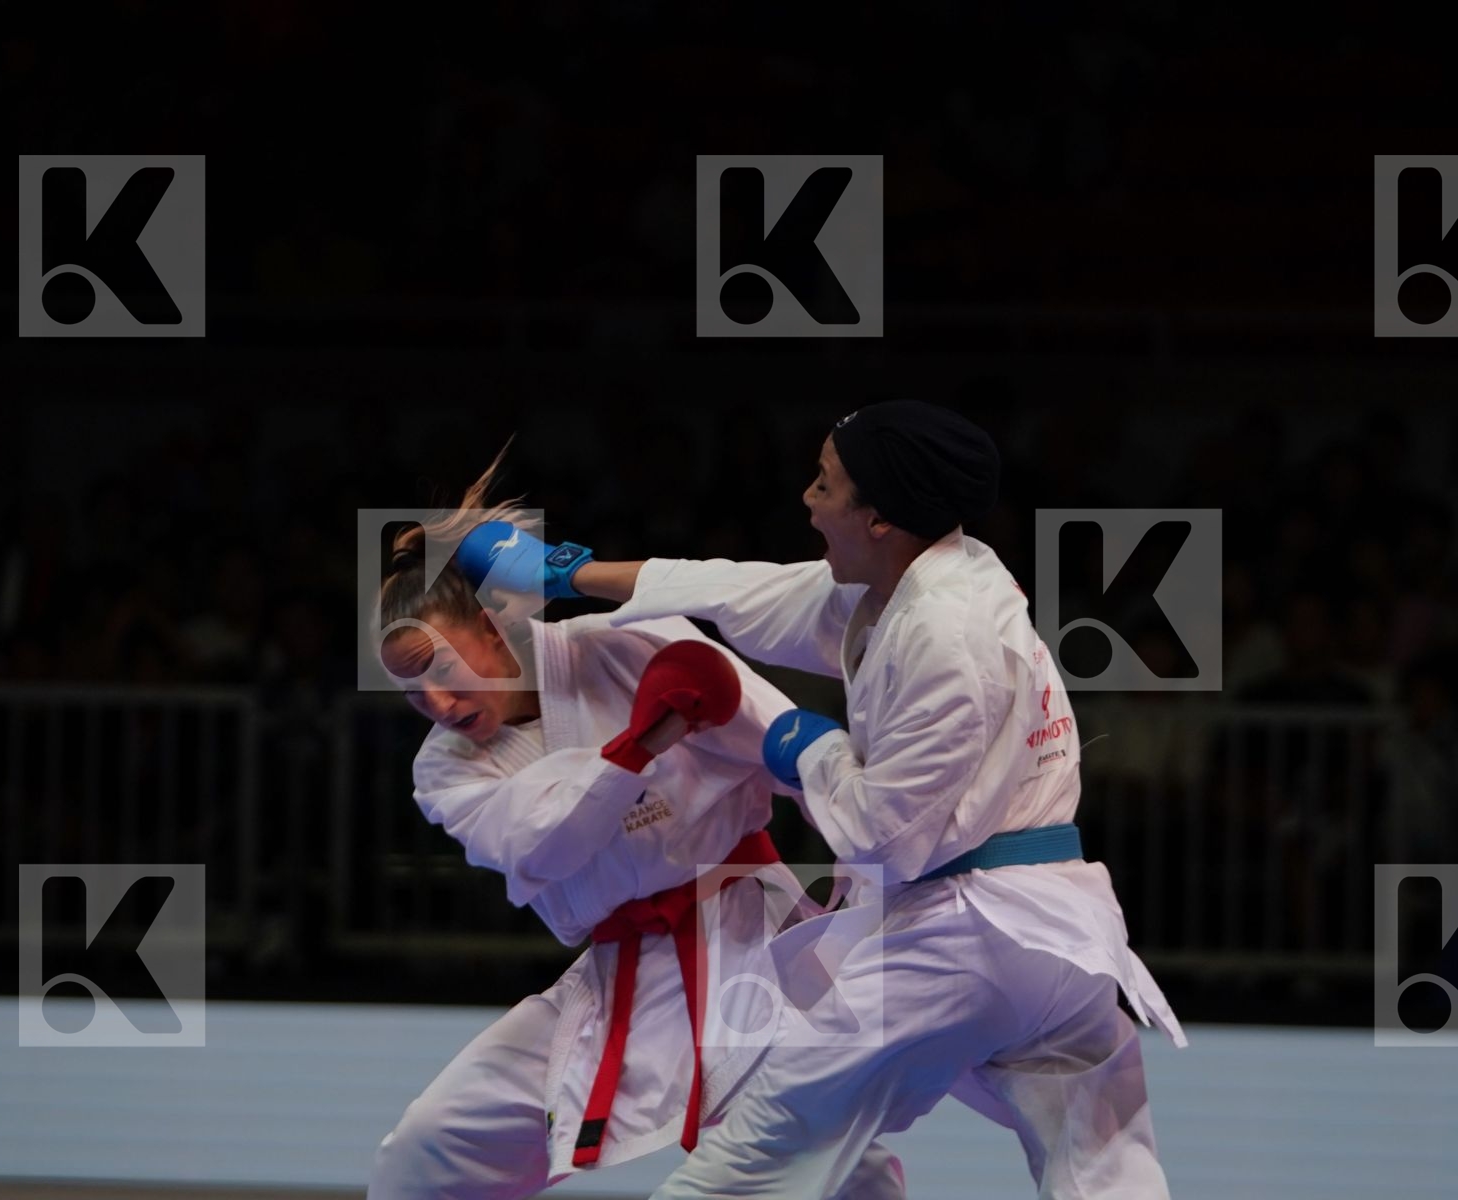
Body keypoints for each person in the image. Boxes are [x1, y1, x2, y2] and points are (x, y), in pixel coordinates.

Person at [474, 402, 1185, 1198]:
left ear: (878, 517)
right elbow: (743, 592)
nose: (808, 501)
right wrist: (571, 572)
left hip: (964, 938)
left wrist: (804, 745)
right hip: (1060, 943)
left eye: (825, 484)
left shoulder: (943, 635)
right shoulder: (923, 578)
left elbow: (886, 837)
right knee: (1104, 1163)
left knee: (751, 1161)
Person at [364, 461, 905, 1200]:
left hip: (748, 934)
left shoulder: (623, 642)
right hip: (618, 965)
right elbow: (539, 843)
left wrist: (887, 845)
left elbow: (786, 742)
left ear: (492, 627)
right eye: (411, 691)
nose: (435, 700)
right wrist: (634, 751)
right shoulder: (444, 769)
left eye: (442, 670)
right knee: (431, 1145)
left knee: (834, 1154)